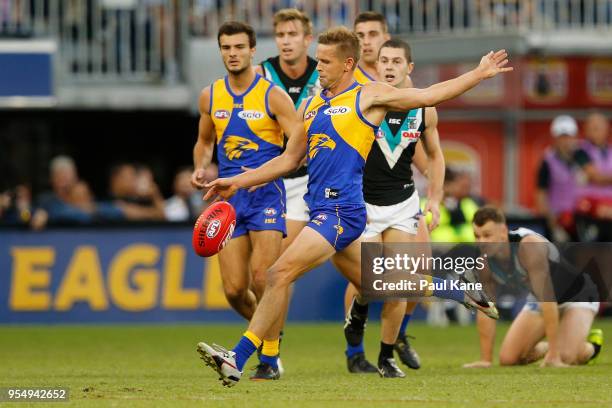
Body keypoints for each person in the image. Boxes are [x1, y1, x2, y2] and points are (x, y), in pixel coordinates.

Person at [198, 26, 510, 387]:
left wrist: (478, 73)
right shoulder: (314, 105)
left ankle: (238, 358)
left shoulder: (370, 96)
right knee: (388, 284)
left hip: (340, 212)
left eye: (325, 62)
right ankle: (459, 289)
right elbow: (288, 160)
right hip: (324, 213)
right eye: (318, 61)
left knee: (276, 274)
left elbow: (428, 94)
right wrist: (237, 180)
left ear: (348, 64)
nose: (318, 69)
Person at [190, 21, 303, 381]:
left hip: (266, 194)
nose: (233, 53)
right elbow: (205, 140)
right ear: (220, 51)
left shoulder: (272, 95)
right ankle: (269, 331)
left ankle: (269, 357)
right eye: (226, 48)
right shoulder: (210, 96)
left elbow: (297, 143)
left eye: (239, 47)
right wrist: (199, 166)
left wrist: (278, 170)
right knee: (235, 290)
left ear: (253, 50)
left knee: (264, 278)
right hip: (228, 200)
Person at [342, 39, 445, 377]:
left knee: (400, 285)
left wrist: (435, 197)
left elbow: (435, 155)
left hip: (402, 202)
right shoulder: (363, 99)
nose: (388, 66)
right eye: (383, 60)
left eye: (396, 61)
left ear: (409, 68)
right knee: (370, 283)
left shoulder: (424, 108)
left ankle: (386, 357)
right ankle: (358, 315)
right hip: (364, 204)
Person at [464, 206, 603, 368]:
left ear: (503, 231)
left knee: (565, 356)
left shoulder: (529, 246)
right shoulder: (485, 262)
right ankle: (558, 344)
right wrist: (485, 359)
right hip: (542, 300)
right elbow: (486, 308)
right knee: (508, 359)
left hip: (578, 296)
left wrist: (554, 355)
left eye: (487, 235)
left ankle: (591, 348)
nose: (482, 242)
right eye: (477, 236)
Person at [255, 8, 320, 251]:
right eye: (280, 34)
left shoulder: (323, 76)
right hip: (268, 178)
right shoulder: (260, 75)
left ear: (307, 39)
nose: (285, 40)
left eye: (292, 34)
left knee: (278, 264)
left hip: (305, 179)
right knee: (259, 275)